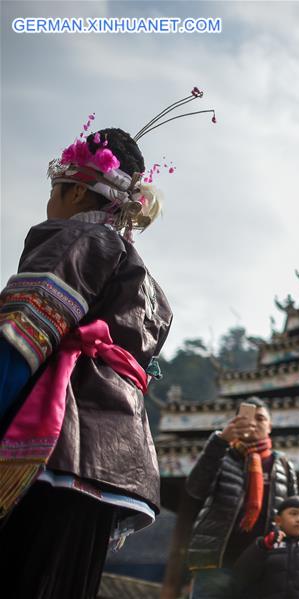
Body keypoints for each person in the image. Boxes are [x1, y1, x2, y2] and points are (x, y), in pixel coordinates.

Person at [0, 103, 204, 597]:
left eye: (55, 190)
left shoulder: (74, 237)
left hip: (53, 452)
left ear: (72, 190)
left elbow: (22, 338)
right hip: (116, 461)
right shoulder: (149, 287)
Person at [185, 398, 298, 598]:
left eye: (261, 418)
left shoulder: (284, 466)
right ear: (236, 421)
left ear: (270, 426)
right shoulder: (223, 454)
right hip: (216, 563)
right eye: (247, 418)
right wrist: (220, 441)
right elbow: (195, 488)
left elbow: (292, 511)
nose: (254, 423)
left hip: (262, 566)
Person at [231, 495, 299, 599]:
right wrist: (262, 546)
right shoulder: (265, 544)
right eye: (293, 513)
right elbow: (241, 573)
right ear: (278, 520)